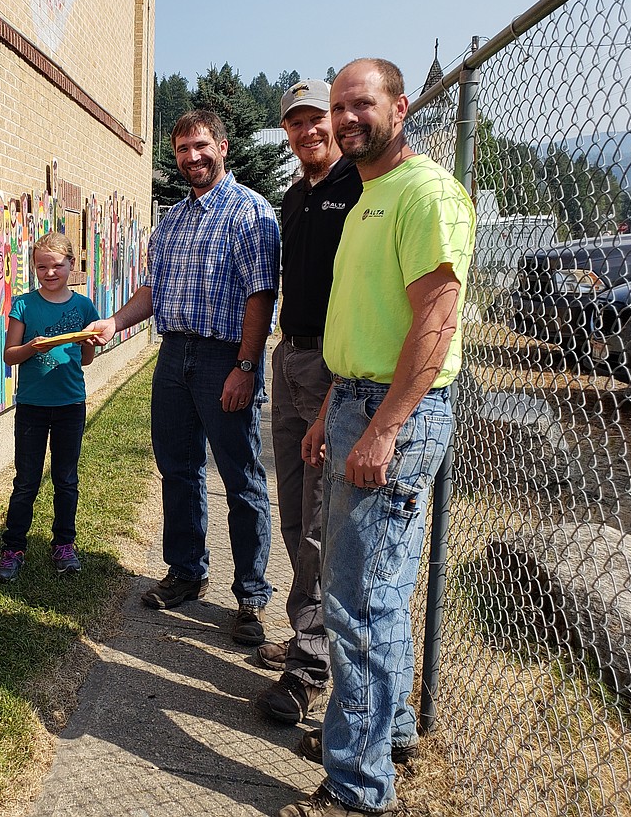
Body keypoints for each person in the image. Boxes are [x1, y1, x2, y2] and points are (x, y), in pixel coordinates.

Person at [281, 59, 475, 817]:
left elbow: (436, 323)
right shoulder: (370, 192)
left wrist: (384, 427)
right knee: (378, 598)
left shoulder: (424, 193)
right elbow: (368, 322)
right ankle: (381, 734)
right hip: (356, 400)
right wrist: (334, 410)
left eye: (361, 103)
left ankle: (357, 789)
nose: (343, 118)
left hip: (397, 413)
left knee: (355, 608)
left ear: (400, 106)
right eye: (337, 106)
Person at [89, 109, 279, 645]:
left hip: (224, 358)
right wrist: (115, 322)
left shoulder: (252, 213)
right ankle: (186, 572)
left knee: (241, 479)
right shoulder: (170, 222)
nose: (191, 158)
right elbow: (154, 292)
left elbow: (259, 297)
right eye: (181, 149)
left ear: (223, 146)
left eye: (201, 146)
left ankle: (250, 596)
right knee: (178, 467)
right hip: (174, 357)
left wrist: (245, 366)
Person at [255, 80, 362, 725]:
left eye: (314, 121)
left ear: (336, 120)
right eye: (294, 126)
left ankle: (310, 667)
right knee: (294, 506)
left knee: (324, 516)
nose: (305, 134)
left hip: (332, 363)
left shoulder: (359, 188)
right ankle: (307, 634)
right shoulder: (294, 198)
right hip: (289, 356)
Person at [0, 232, 100, 582]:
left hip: (71, 403)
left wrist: (87, 341)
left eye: (58, 265)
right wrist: (31, 349)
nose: (50, 272)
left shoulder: (84, 306)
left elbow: (85, 359)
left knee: (66, 478)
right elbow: (9, 355)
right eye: (42, 266)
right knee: (26, 480)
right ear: (34, 268)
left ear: (72, 264)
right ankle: (13, 547)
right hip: (32, 405)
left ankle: (64, 544)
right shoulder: (24, 304)